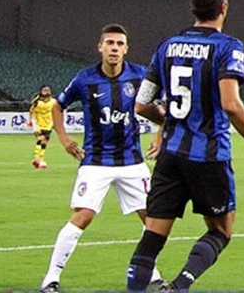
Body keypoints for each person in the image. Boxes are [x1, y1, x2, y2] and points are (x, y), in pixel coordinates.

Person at [124, 0, 244, 293]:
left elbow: (141, 104)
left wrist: (165, 120)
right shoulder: (228, 47)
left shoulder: (166, 46)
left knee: (151, 238)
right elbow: (231, 103)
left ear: (193, 7)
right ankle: (179, 287)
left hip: (170, 156)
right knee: (221, 231)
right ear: (223, 7)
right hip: (208, 155)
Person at [40, 24, 165, 293]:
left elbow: (164, 108)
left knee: (154, 220)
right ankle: (50, 279)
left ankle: (151, 273)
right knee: (83, 216)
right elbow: (57, 106)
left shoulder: (140, 77)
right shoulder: (85, 79)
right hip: (95, 161)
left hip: (133, 161)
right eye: (110, 43)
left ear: (126, 49)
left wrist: (160, 135)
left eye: (120, 44)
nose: (114, 48)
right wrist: (64, 139)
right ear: (100, 47)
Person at [30, 84, 58, 169]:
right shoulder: (37, 102)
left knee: (44, 143)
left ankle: (38, 159)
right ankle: (38, 159)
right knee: (40, 140)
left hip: (48, 125)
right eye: (45, 90)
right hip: (39, 125)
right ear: (41, 91)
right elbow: (32, 113)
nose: (47, 92)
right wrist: (34, 125)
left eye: (48, 90)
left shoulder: (53, 102)